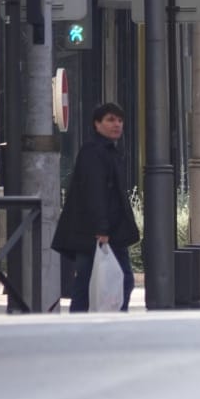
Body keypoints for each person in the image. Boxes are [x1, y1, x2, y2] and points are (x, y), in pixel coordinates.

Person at [52, 102, 139, 312]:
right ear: (96, 124)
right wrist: (102, 229)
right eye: (110, 120)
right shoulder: (94, 152)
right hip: (98, 233)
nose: (117, 124)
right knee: (113, 279)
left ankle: (86, 323)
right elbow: (95, 192)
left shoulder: (109, 152)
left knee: (92, 281)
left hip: (105, 230)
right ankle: (93, 323)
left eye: (119, 120)